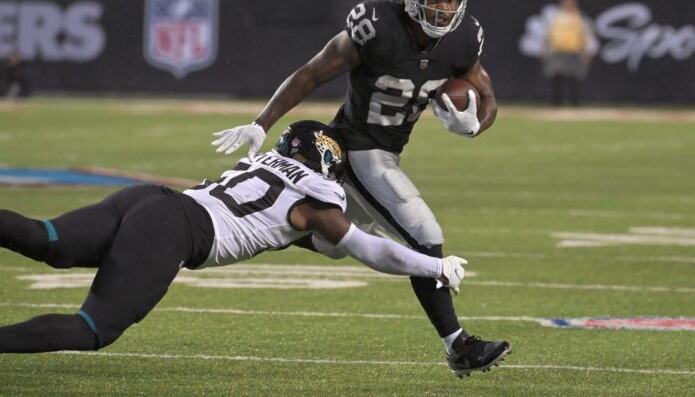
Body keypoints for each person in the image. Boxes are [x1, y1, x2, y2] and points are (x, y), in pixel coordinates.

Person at [211, 0, 511, 377]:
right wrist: (262, 122)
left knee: (336, 245)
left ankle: (292, 224)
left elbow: (487, 93)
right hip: (356, 147)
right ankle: (458, 345)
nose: (444, 7)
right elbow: (312, 72)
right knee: (426, 233)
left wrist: (476, 126)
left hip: (386, 152)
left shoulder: (462, 39)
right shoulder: (378, 26)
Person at [0, 120, 469, 356]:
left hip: (146, 200)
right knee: (93, 329)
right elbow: (370, 250)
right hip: (174, 231)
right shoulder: (315, 200)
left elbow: (302, 235)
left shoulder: (262, 162)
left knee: (47, 239)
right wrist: (435, 265)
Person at [542, 0, 594, 106]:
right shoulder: (556, 18)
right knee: (557, 77)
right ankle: (556, 102)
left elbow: (588, 36)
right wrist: (544, 49)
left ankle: (574, 103)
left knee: (574, 79)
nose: (568, 6)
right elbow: (548, 35)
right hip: (558, 52)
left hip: (574, 52)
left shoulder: (580, 19)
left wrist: (587, 51)